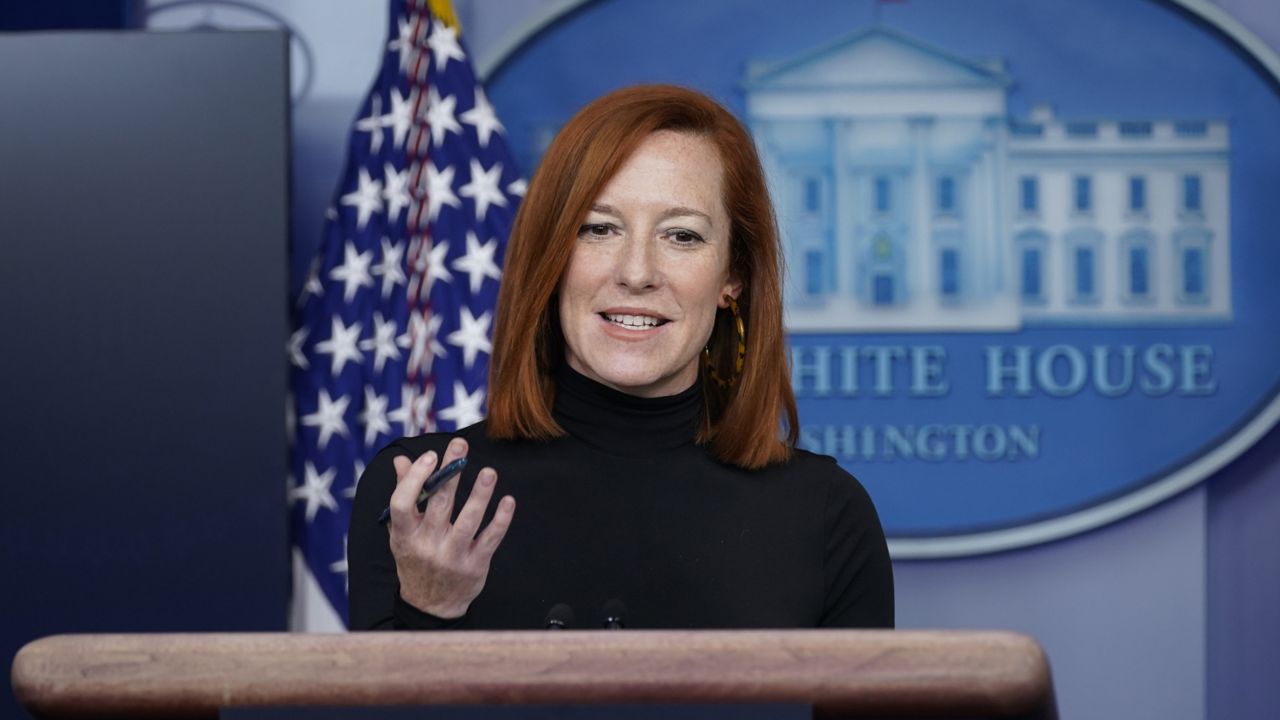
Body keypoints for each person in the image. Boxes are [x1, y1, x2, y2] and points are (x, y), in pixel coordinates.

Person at [349, 84, 894, 630]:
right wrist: (429, 611)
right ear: (552, 259)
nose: (636, 273)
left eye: (681, 235)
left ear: (733, 276)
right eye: (599, 228)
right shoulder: (423, 499)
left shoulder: (826, 515)